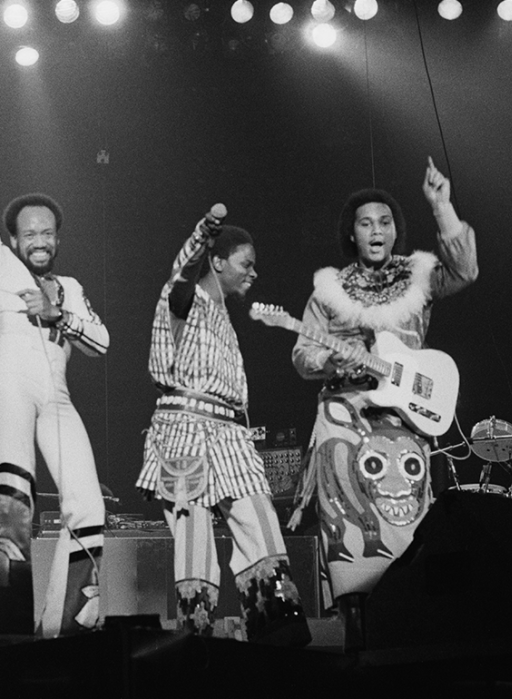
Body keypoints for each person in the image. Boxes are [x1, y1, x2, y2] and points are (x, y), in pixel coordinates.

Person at [0, 87, 109, 641]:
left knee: (87, 500)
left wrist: (59, 314)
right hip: (9, 376)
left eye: (47, 233)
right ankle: (7, 630)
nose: (39, 240)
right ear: (12, 239)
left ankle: (68, 627)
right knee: (16, 488)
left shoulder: (70, 288)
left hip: (57, 394)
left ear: (57, 239)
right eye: (28, 232)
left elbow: (101, 344)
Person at [290, 157, 478, 649]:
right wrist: (332, 363)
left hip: (401, 419)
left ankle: (408, 636)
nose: (376, 229)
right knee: (346, 522)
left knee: (407, 519)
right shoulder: (329, 291)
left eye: (385, 222)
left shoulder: (417, 277)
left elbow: (465, 269)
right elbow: (303, 353)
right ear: (351, 234)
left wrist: (441, 205)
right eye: (365, 222)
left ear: (395, 232)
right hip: (343, 415)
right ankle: (356, 639)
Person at [136, 207, 311, 645]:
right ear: (217, 261)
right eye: (245, 264)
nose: (253, 273)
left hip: (230, 433)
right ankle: (195, 646)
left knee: (263, 527)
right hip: (184, 430)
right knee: (195, 545)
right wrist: (200, 235)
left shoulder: (222, 315)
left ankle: (278, 637)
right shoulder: (184, 300)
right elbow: (179, 278)